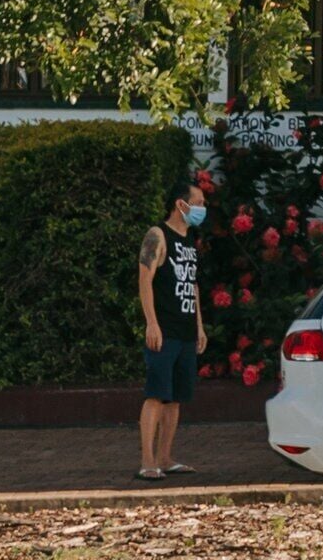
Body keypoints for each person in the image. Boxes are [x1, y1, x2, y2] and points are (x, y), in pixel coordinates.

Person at [137, 175, 208, 478]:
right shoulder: (158, 235)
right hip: (164, 330)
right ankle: (148, 461)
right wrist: (152, 322)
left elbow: (192, 285)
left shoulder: (190, 240)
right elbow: (144, 278)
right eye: (199, 203)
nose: (203, 209)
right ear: (181, 204)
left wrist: (200, 327)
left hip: (186, 331)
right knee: (156, 394)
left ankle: (166, 458)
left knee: (176, 398)